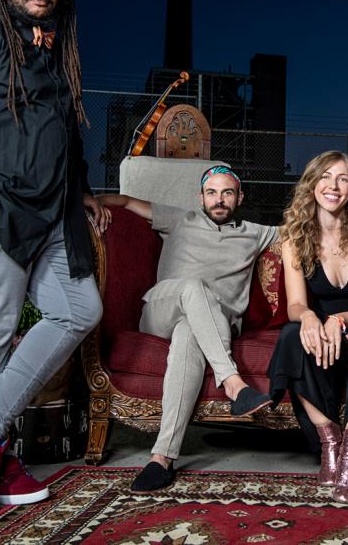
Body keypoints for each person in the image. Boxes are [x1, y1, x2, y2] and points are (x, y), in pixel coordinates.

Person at [0, 0, 106, 513]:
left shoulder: (56, 52)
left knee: (80, 310)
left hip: (54, 213)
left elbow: (65, 136)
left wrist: (80, 193)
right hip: (0, 209)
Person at [97, 165, 277, 492]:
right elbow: (123, 201)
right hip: (162, 309)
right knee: (194, 286)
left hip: (211, 323)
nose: (219, 200)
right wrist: (91, 199)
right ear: (201, 197)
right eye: (212, 193)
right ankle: (234, 384)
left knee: (188, 336)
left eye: (227, 193)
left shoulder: (256, 232)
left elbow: (308, 230)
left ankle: (161, 459)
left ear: (240, 197)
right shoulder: (180, 219)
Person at [268, 151, 348, 504]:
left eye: (342, 179)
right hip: (319, 340)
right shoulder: (294, 236)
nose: (333, 186)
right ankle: (331, 444)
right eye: (325, 177)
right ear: (312, 185)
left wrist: (340, 320)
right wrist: (310, 317)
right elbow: (295, 304)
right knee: (291, 333)